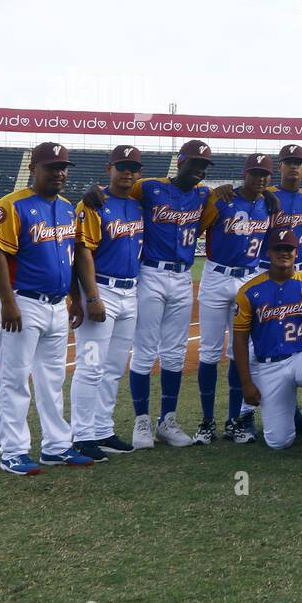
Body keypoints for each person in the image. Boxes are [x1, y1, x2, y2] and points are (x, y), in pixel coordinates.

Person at [0, 141, 91, 474]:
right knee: (14, 379)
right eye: (52, 167)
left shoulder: (66, 207)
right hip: (23, 302)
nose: (59, 173)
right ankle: (13, 451)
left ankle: (56, 446)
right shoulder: (11, 206)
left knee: (52, 378)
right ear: (34, 169)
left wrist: (73, 296)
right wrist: (7, 301)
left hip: (58, 304)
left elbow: (71, 259)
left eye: (63, 168)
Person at [115, 138, 213, 449]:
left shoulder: (204, 195)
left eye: (203, 166)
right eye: (193, 163)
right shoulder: (148, 187)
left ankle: (167, 420)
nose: (198, 170)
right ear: (180, 161)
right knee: (144, 349)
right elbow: (113, 196)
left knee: (174, 352)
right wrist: (94, 193)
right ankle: (142, 421)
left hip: (183, 277)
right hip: (151, 273)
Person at [231, 229, 302, 460]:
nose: (284, 253)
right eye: (278, 249)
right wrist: (247, 384)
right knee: (279, 442)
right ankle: (290, 411)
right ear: (269, 253)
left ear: (296, 252)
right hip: (269, 365)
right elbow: (240, 340)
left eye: (288, 249)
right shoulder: (249, 291)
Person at [69, 145, 146, 462]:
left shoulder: (139, 204)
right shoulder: (93, 203)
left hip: (131, 292)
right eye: (121, 167)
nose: (126, 172)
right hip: (101, 289)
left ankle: (102, 429)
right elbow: (82, 251)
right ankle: (81, 435)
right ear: (109, 168)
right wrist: (91, 297)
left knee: (113, 367)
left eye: (132, 168)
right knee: (90, 366)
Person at [194, 153, 274, 445]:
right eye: (255, 173)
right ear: (245, 174)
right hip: (217, 275)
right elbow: (196, 228)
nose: (260, 178)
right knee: (209, 352)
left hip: (248, 277)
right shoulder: (223, 199)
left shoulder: (269, 204)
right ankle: (206, 421)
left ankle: (234, 420)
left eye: (265, 174)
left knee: (239, 352)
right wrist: (213, 195)